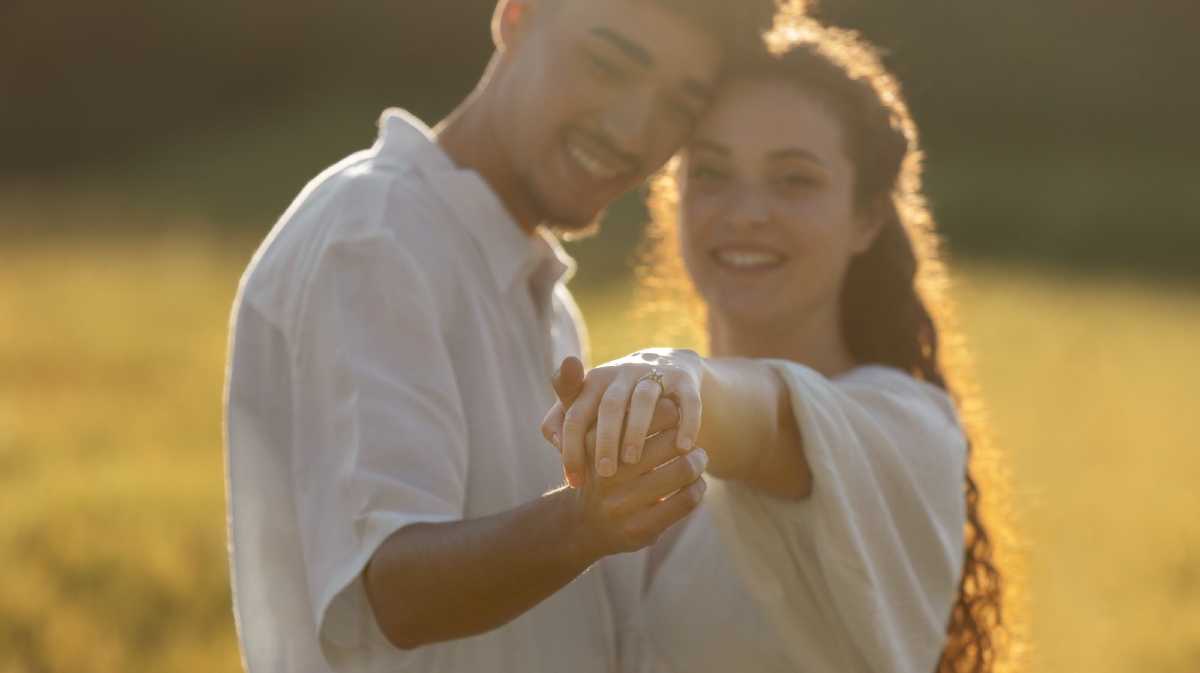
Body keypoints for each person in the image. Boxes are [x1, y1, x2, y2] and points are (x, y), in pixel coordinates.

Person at [223, 0, 782, 672]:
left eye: (678, 107)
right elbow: (397, 594)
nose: (635, 133)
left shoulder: (544, 300)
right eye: (606, 65)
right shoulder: (375, 235)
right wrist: (587, 522)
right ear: (516, 17)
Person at [542, 16, 1011, 673]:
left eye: (795, 180)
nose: (746, 213)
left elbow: (768, 422)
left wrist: (670, 374)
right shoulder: (638, 437)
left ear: (866, 217)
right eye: (711, 173)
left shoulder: (905, 429)